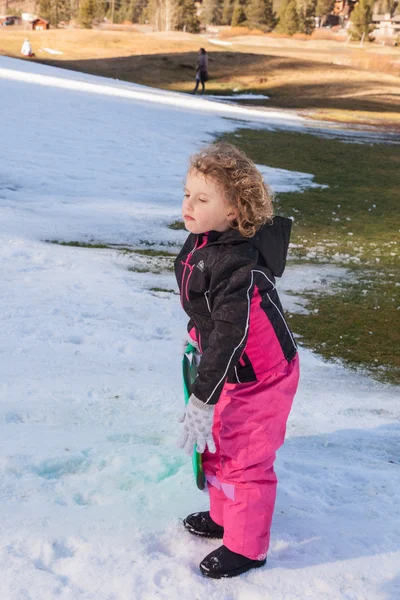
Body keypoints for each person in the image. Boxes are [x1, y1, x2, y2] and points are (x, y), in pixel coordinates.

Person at [175, 142, 300, 579]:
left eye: (202, 199)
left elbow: (231, 333)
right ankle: (224, 516)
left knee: (245, 455)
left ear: (235, 211)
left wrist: (202, 396)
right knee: (215, 442)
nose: (188, 204)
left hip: (261, 375)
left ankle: (247, 547)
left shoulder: (238, 266)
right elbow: (206, 311)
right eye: (187, 193)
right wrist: (198, 340)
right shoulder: (204, 239)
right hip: (229, 366)